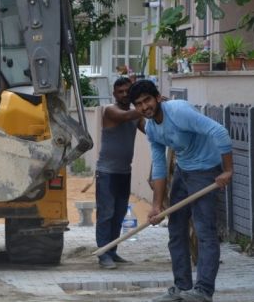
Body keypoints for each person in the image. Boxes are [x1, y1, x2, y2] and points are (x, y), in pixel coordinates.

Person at [129, 80, 232, 302]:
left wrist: (228, 170)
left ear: (157, 97)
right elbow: (158, 167)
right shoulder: (151, 129)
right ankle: (182, 287)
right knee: (176, 230)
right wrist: (156, 206)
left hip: (205, 171)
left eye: (147, 100)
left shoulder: (179, 111)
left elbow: (220, 132)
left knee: (205, 232)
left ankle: (203, 290)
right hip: (183, 172)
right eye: (139, 104)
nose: (145, 106)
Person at [95, 77, 145, 269]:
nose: (124, 94)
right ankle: (103, 254)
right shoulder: (110, 110)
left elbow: (148, 130)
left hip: (124, 172)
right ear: (115, 94)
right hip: (107, 172)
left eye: (127, 91)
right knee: (106, 214)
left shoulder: (136, 115)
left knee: (118, 214)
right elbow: (125, 117)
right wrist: (150, 105)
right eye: (120, 91)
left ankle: (112, 252)